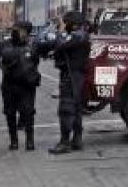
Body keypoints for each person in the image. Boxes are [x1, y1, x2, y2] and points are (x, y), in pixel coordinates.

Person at [45, 11, 91, 154]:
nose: (64, 25)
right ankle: (77, 140)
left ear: (73, 23)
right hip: (75, 75)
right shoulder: (80, 35)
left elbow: (61, 45)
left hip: (71, 76)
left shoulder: (78, 36)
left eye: (66, 22)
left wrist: (59, 33)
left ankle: (65, 142)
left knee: (66, 109)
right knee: (76, 109)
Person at [0, 20, 41, 151]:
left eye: (18, 29)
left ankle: (30, 141)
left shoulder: (32, 45)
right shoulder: (4, 44)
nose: (15, 31)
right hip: (9, 84)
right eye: (14, 29)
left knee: (28, 112)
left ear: (26, 32)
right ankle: (14, 141)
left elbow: (35, 62)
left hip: (27, 85)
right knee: (10, 113)